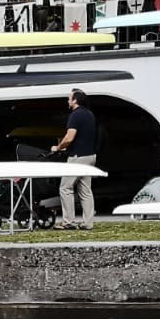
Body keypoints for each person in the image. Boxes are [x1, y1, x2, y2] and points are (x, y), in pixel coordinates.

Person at [51, 89, 98, 231]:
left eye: (69, 98)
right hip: (90, 156)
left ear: (75, 100)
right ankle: (88, 223)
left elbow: (69, 137)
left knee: (65, 188)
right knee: (85, 190)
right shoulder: (89, 114)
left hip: (78, 158)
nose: (67, 101)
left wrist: (58, 147)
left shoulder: (75, 115)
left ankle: (68, 222)